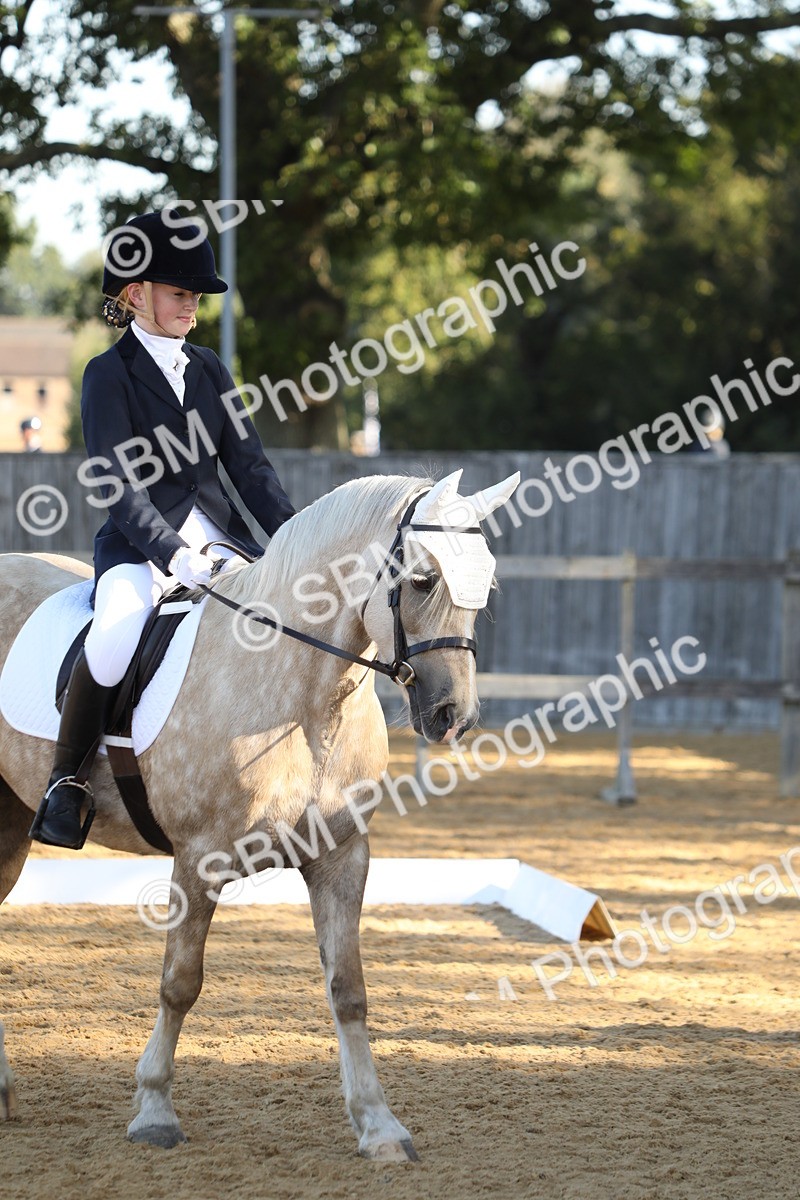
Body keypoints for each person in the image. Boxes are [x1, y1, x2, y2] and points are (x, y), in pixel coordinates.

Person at [30, 210, 296, 850]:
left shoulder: (208, 369)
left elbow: (250, 469)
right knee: (117, 635)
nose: (193, 308)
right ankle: (67, 783)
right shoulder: (107, 374)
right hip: (140, 548)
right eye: (180, 294)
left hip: (223, 540)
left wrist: (294, 541)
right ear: (133, 294)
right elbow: (118, 487)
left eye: (196, 297)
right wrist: (176, 555)